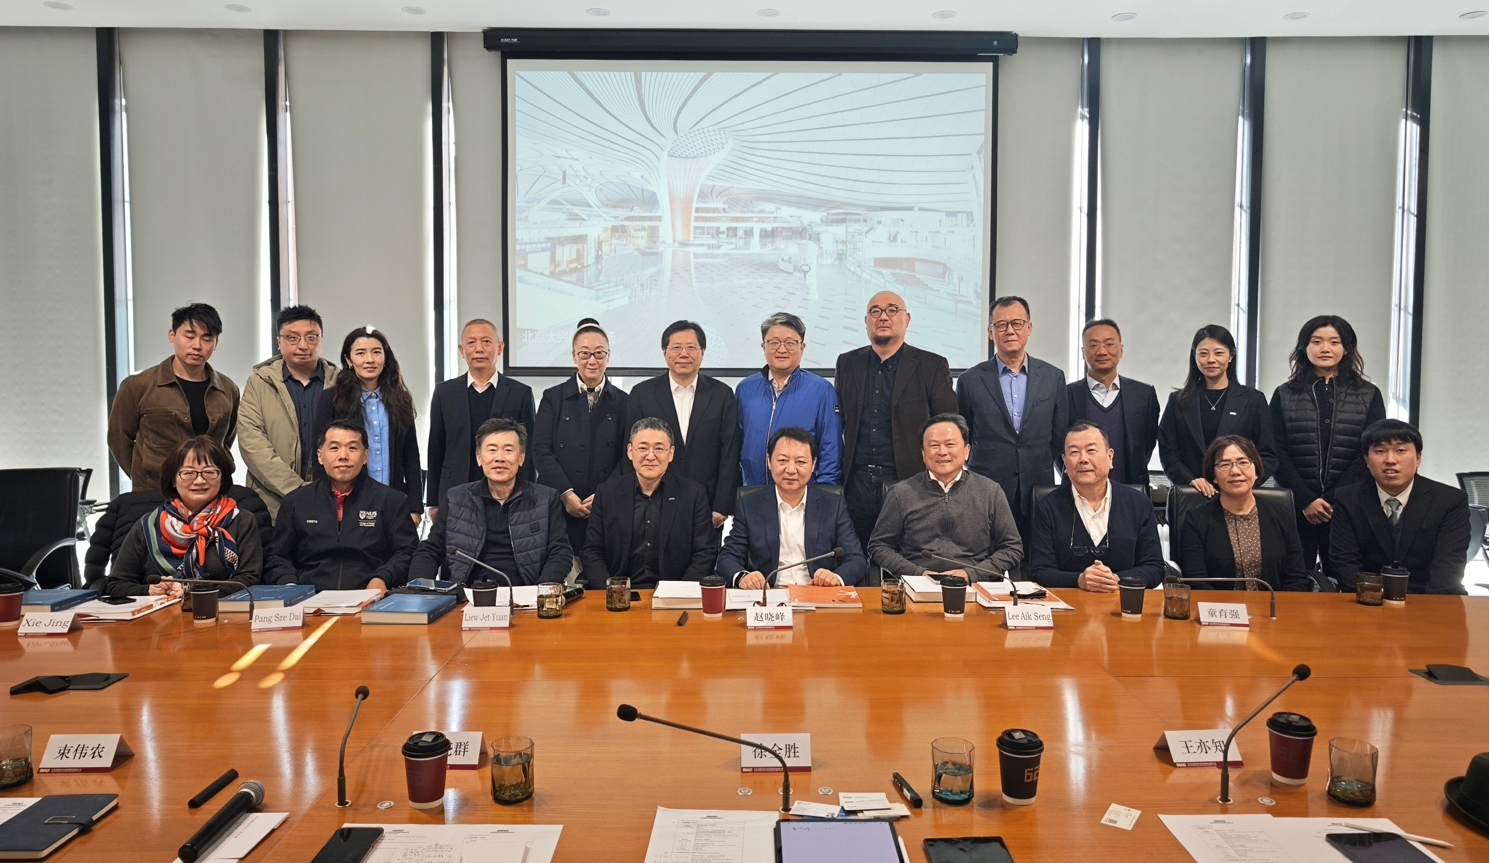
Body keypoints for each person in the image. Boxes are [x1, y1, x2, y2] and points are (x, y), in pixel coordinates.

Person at [834, 291, 958, 551]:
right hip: (856, 483)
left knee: (907, 557)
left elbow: (949, 427)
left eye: (892, 310)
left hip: (910, 483)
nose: (883, 317)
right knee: (855, 557)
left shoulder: (931, 365)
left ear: (907, 319)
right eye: (875, 311)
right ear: (866, 320)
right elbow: (841, 421)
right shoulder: (847, 363)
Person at [1268, 315, 1386, 576]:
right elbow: (1276, 450)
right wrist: (1306, 500)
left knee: (1345, 578)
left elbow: (1371, 450)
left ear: (1347, 348)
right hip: (1296, 505)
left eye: (1334, 342)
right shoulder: (1284, 394)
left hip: (1349, 505)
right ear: (1304, 347)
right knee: (1294, 578)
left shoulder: (1368, 394)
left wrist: (1334, 499)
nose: (1325, 348)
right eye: (1316, 341)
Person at [957, 296, 1068, 549]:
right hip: (986, 487)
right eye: (1001, 325)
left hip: (1037, 486)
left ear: (1029, 327)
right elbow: (965, 435)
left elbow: (1059, 436)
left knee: (1036, 558)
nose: (1009, 331)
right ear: (990, 332)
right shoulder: (970, 381)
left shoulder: (1053, 377)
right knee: (985, 558)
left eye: (1017, 323)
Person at [410, 418, 571, 586]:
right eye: (492, 450)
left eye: (508, 450)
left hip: (525, 592)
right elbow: (430, 551)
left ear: (521, 458)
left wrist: (541, 591)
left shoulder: (546, 499)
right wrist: (419, 588)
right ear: (479, 457)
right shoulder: (455, 498)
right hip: (467, 593)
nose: (499, 458)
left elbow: (561, 552)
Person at [265, 420, 418, 593]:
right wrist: (290, 586)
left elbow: (407, 552)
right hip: (308, 598)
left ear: (365, 456)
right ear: (320, 456)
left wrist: (383, 578)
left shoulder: (392, 501)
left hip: (371, 597)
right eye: (334, 448)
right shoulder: (295, 502)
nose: (343, 455)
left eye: (352, 448)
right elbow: (277, 556)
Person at [101, 436, 262, 597]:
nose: (199, 480)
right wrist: (150, 590)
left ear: (222, 478)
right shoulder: (149, 525)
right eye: (188, 473)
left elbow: (250, 580)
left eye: (209, 472)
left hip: (222, 610)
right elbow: (116, 585)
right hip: (161, 611)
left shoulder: (241, 520)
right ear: (173, 479)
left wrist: (192, 590)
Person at [868, 414, 1022, 582]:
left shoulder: (990, 491)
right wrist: (918, 574)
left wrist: (971, 574)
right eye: (934, 445)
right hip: (917, 585)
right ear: (923, 453)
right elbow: (879, 546)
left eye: (950, 444)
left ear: (966, 451)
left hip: (974, 585)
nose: (942, 452)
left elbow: (1012, 548)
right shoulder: (902, 493)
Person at [108, 303, 240, 490]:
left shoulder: (228, 389)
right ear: (172, 335)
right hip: (154, 491)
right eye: (189, 336)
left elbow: (225, 442)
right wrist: (143, 475)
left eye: (207, 338)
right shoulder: (138, 385)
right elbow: (119, 439)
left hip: (209, 492)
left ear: (216, 343)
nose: (197, 346)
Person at [1329, 420, 1470, 595]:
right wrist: (1371, 600)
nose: (1390, 460)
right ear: (1366, 459)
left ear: (1418, 458)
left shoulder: (1450, 500)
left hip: (1430, 598)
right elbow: (1345, 563)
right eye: (1380, 451)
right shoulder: (1348, 499)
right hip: (1367, 598)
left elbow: (1449, 566)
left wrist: (1428, 607)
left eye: (1400, 450)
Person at [624, 321, 740, 529]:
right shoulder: (642, 394)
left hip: (706, 506)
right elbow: (631, 452)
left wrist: (722, 506)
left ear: (702, 352)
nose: (683, 354)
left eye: (691, 347)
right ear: (664, 352)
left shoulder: (722, 394)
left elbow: (729, 453)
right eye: (676, 347)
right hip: (652, 502)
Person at [718, 427, 866, 588]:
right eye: (782, 460)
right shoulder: (749, 505)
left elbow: (856, 558)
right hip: (769, 594)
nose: (790, 470)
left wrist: (836, 577)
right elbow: (728, 557)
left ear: (813, 465)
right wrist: (743, 577)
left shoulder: (833, 505)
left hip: (817, 592)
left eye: (800, 462)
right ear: (769, 462)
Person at [581, 418, 717, 588]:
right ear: (630, 451)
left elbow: (705, 552)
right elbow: (592, 551)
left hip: (674, 591)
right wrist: (610, 592)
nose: (650, 456)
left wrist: (680, 592)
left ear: (671, 453)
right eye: (643, 448)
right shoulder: (607, 493)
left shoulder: (693, 494)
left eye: (659, 449)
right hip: (619, 593)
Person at [1029, 422, 1166, 591]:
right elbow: (1040, 572)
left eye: (1091, 450)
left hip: (1124, 600)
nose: (1083, 459)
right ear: (1064, 462)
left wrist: (1115, 579)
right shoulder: (1048, 507)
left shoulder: (1138, 503)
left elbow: (1155, 568)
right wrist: (1079, 580)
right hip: (1069, 603)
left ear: (1110, 457)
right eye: (1074, 452)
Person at [532, 318, 629, 554]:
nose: (592, 360)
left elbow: (627, 456)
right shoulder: (553, 397)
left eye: (599, 353)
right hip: (558, 501)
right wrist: (566, 494)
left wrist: (604, 495)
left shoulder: (624, 401)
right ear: (574, 356)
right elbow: (541, 450)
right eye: (585, 353)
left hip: (606, 503)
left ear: (608, 356)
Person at [427, 319, 536, 520]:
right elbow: (436, 448)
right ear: (461, 350)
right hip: (455, 489)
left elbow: (527, 452)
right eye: (471, 342)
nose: (479, 349)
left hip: (506, 491)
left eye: (486, 341)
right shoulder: (444, 392)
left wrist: (528, 495)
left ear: (500, 348)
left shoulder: (520, 393)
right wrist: (433, 501)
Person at [1174, 435, 1313, 592]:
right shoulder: (1196, 520)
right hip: (1219, 606)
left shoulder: (1281, 514)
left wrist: (1278, 606)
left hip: (1273, 605)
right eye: (1224, 465)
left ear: (1256, 470)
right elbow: (1197, 582)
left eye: (1243, 462)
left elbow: (1296, 577)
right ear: (1213, 476)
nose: (1235, 471)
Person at [239, 305, 338, 520]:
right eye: (292, 338)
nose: (303, 345)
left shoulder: (341, 383)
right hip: (271, 503)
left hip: (332, 501)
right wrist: (298, 490)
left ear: (321, 339)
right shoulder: (259, 383)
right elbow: (253, 444)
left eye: (311, 337)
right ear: (279, 342)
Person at [316, 327, 423, 522]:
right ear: (348, 360)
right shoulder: (332, 399)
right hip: (347, 503)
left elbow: (411, 457)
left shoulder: (401, 400)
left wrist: (415, 507)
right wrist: (324, 504)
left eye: (376, 352)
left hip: (393, 501)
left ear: (385, 357)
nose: (370, 359)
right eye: (360, 353)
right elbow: (321, 456)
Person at [1158, 325, 1277, 495]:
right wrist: (1190, 481)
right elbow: (1168, 451)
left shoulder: (1253, 400)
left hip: (1238, 494)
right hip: (1192, 492)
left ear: (1231, 355)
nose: (1211, 360)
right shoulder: (1178, 400)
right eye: (1203, 354)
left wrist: (1242, 480)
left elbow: (1268, 454)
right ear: (1194, 356)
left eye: (1219, 353)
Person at [736, 312, 843, 488]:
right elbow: (736, 443)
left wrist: (824, 494)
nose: (782, 349)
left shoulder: (822, 390)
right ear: (763, 346)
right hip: (753, 491)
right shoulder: (745, 389)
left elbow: (831, 449)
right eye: (774, 342)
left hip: (803, 494)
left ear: (802, 347)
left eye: (790, 343)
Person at [1064, 318, 1161, 488]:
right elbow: (1058, 446)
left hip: (1132, 489)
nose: (1102, 351)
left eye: (1109, 344)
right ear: (1083, 352)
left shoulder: (1144, 395)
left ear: (1121, 350)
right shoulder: (1065, 395)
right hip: (1079, 490)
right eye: (1093, 345)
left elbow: (1146, 445)